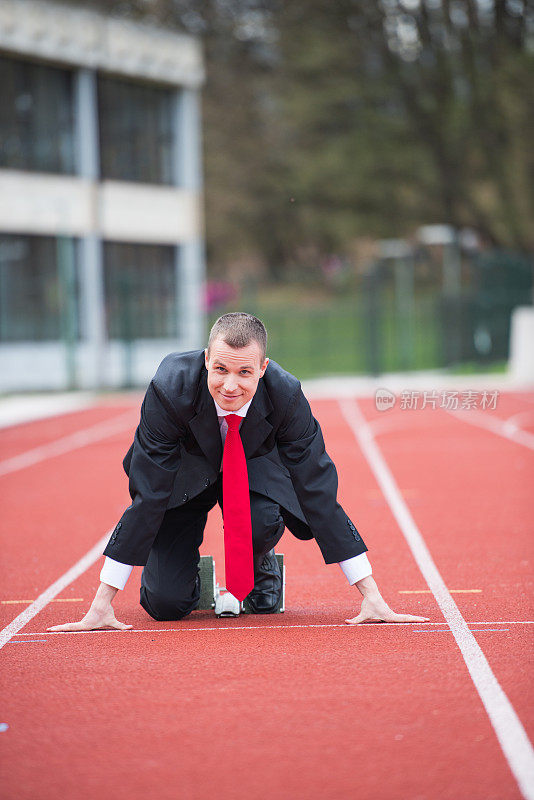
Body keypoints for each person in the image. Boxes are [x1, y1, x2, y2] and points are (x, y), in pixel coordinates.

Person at [49, 313, 428, 632]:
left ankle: (259, 562)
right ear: (205, 359)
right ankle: (196, 579)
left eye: (245, 372)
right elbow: (148, 492)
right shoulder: (169, 389)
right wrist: (103, 602)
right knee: (166, 604)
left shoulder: (286, 396)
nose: (230, 385)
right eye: (220, 369)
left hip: (253, 468)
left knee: (262, 520)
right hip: (184, 475)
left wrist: (371, 596)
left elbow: (316, 487)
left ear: (263, 369)